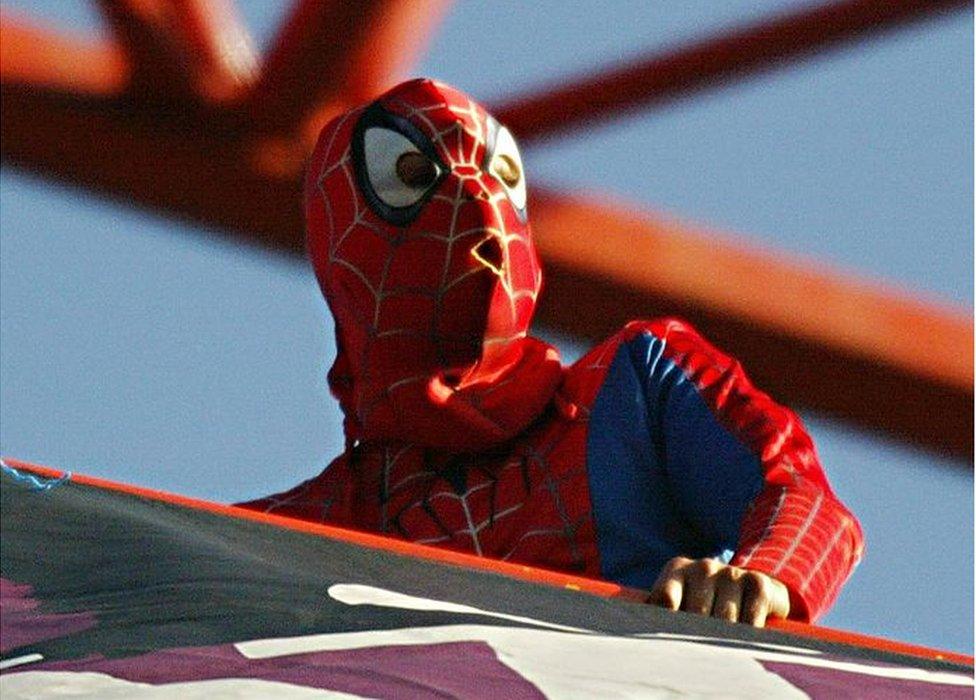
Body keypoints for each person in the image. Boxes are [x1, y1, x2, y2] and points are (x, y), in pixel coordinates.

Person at [239, 78, 864, 626]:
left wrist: (763, 579)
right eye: (410, 177)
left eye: (502, 179)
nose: (483, 217)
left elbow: (801, 497)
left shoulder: (637, 381)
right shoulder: (300, 531)